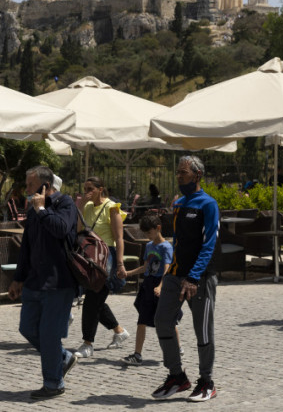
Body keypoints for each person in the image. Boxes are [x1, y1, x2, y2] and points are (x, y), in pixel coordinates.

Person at [151, 155, 219, 402]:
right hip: (175, 274)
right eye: (178, 173)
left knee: (202, 330)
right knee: (161, 321)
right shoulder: (179, 203)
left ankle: (207, 382)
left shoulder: (208, 204)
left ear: (197, 175)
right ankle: (177, 376)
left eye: (183, 173)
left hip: (199, 278)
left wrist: (194, 276)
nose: (179, 177)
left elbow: (209, 244)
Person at [8, 166, 79, 400]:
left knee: (49, 334)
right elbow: (26, 248)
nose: (26, 189)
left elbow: (60, 229)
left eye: (30, 185)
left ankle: (53, 383)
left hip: (59, 283)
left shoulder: (65, 204)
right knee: (27, 328)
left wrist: (41, 209)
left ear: (45, 186)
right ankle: (63, 358)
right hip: (34, 282)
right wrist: (18, 279)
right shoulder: (32, 213)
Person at [73, 176, 130, 358]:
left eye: (90, 188)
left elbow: (119, 238)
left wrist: (120, 263)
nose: (87, 191)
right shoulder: (87, 206)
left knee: (92, 299)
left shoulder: (111, 208)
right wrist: (81, 205)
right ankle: (119, 331)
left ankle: (87, 343)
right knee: (96, 299)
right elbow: (78, 229)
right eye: (85, 188)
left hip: (106, 258)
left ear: (100, 189)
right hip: (90, 257)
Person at [121, 213, 183, 367]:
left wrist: (161, 286)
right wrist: (128, 273)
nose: (147, 236)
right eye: (145, 233)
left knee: (168, 321)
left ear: (158, 228)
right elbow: (145, 267)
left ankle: (177, 348)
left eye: (149, 232)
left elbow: (167, 269)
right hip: (148, 285)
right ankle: (137, 355)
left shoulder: (166, 247)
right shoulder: (149, 246)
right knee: (142, 320)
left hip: (160, 285)